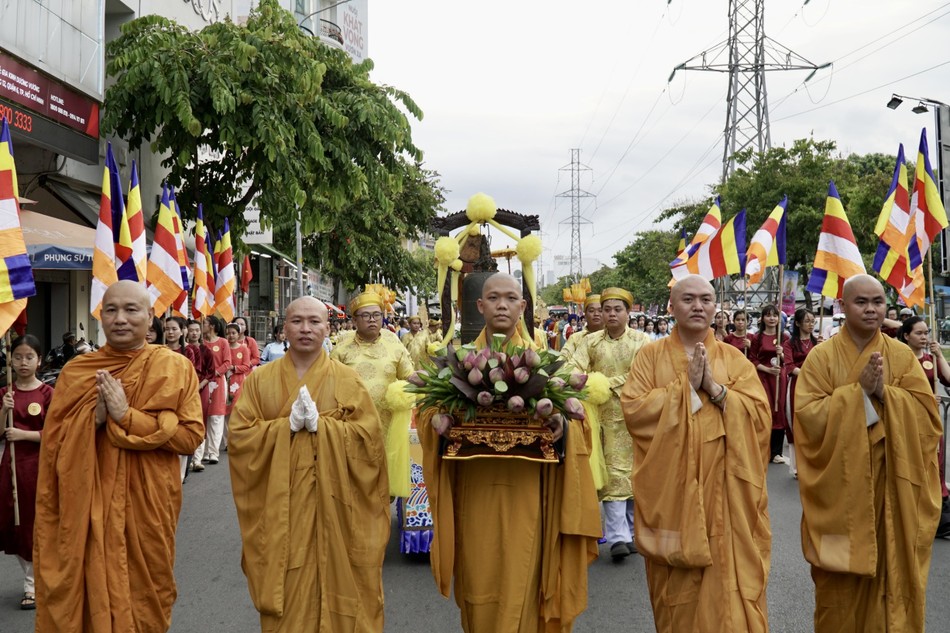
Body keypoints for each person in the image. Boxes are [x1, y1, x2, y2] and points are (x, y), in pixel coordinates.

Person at [419, 272, 600, 632]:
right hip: (474, 492)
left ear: (523, 306)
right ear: (479, 306)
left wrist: (563, 429)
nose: (502, 304)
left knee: (527, 577)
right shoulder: (457, 363)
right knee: (478, 580)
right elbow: (428, 418)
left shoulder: (547, 363)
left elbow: (579, 424)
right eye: (494, 298)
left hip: (530, 493)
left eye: (510, 298)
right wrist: (441, 419)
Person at [33, 280, 204, 632]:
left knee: (147, 597)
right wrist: (92, 420)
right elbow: (53, 449)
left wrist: (127, 417)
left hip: (149, 506)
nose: (120, 319)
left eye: (131, 310)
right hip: (88, 505)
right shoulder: (76, 373)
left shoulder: (174, 367)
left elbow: (189, 438)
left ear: (150, 317)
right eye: (111, 310)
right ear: (100, 316)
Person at [621, 275, 771, 632]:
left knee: (731, 591)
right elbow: (635, 411)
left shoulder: (735, 360)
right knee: (677, 590)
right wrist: (684, 388)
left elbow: (761, 418)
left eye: (706, 299)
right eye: (688, 299)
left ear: (716, 306)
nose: (698, 306)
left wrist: (717, 391)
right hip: (673, 497)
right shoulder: (650, 357)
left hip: (728, 494)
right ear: (671, 307)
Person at [229, 297, 389, 632]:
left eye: (314, 322)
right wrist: (282, 427)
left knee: (343, 584)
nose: (305, 329)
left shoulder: (348, 380)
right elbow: (240, 436)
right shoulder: (260, 380)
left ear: (327, 329)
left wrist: (324, 427)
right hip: (280, 508)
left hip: (337, 509)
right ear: (284, 328)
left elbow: (369, 441)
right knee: (287, 591)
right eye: (297, 321)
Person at [795, 275, 941, 632]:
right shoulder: (821, 358)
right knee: (840, 589)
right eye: (862, 302)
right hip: (842, 495)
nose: (872, 309)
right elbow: (808, 419)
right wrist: (857, 395)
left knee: (894, 577)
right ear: (843, 307)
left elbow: (928, 420)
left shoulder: (902, 356)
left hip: (894, 492)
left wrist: (885, 396)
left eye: (878, 301)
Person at [570, 287, 651, 561]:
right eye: (607, 309)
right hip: (601, 418)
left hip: (636, 414)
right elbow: (573, 368)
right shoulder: (590, 342)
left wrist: (605, 383)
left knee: (636, 476)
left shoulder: (642, 341)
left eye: (618, 309)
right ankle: (618, 537)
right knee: (613, 475)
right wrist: (586, 383)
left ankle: (630, 532)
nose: (612, 314)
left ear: (629, 313)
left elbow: (642, 374)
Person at [331, 291, 413, 497]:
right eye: (365, 316)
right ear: (355, 319)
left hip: (388, 426)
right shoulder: (341, 349)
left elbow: (409, 377)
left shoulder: (393, 342)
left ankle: (381, 524)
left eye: (377, 315)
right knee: (355, 485)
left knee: (385, 488)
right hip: (353, 426)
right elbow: (330, 386)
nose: (372, 320)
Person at [1, 335, 53, 610]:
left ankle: (33, 585)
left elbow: (56, 435)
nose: (23, 362)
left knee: (36, 523)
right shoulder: (5, 393)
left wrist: (22, 434)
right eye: (18, 357)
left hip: (38, 467)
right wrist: (3, 411)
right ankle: (30, 578)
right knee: (15, 524)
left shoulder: (47, 394)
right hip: (10, 468)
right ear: (11, 359)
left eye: (29, 357)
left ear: (39, 360)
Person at [898, 316, 950, 539]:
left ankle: (939, 511)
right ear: (906, 335)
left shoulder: (930, 359)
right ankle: (914, 512)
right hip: (908, 421)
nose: (924, 337)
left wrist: (939, 355)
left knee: (935, 464)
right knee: (914, 465)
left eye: (926, 333)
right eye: (918, 333)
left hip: (931, 422)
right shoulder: (900, 359)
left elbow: (948, 379)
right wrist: (925, 398)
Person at [782, 308, 819, 479]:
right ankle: (798, 466)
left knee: (814, 422)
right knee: (797, 423)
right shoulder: (789, 344)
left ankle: (814, 463)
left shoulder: (817, 343)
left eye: (813, 321)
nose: (811, 324)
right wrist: (807, 374)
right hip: (797, 385)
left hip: (816, 386)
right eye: (807, 321)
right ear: (797, 323)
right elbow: (789, 366)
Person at [749, 304, 788, 464]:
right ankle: (762, 448)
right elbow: (752, 359)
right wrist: (766, 370)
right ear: (763, 318)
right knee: (765, 409)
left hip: (779, 378)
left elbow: (789, 360)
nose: (772, 318)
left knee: (779, 410)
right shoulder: (757, 338)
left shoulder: (784, 337)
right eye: (768, 315)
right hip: (764, 377)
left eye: (775, 315)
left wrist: (782, 354)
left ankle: (777, 452)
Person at [165, 316, 199, 481]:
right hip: (163, 399)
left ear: (181, 331)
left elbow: (190, 375)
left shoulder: (189, 351)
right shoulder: (159, 350)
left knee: (181, 434)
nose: (170, 332)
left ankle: (179, 475)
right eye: (167, 329)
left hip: (182, 399)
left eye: (174, 329)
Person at [195, 315, 230, 466]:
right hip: (202, 383)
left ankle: (213, 452)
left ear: (212, 326)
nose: (201, 326)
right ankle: (200, 453)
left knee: (216, 416)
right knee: (203, 414)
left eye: (204, 323)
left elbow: (227, 362)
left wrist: (215, 372)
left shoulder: (223, 342)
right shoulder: (199, 343)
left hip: (217, 382)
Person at [186, 319, 214, 473]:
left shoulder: (206, 350)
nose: (194, 333)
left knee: (200, 419)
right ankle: (187, 457)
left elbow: (210, 372)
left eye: (197, 330)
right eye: (191, 330)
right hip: (184, 389)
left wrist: (199, 386)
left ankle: (197, 459)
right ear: (186, 331)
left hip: (201, 388)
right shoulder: (183, 349)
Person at [561, 294, 603, 364]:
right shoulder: (575, 338)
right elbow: (563, 357)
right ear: (585, 314)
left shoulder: (613, 337)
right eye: (591, 311)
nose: (596, 314)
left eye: (600, 310)